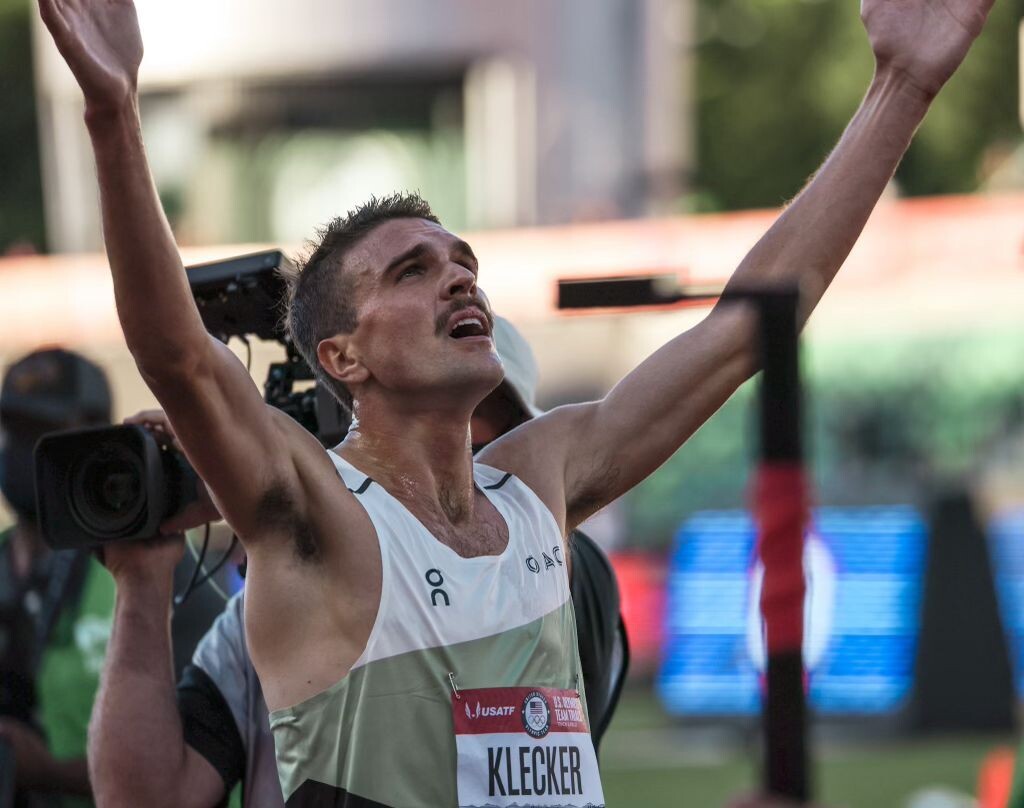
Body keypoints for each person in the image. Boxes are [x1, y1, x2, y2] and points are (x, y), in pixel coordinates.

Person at [39, 0, 992, 802]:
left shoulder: (539, 477)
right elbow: (179, 355)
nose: (460, 279)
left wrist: (902, 85)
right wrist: (114, 112)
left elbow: (743, 331)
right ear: (341, 356)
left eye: (463, 263)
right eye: (412, 271)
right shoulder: (316, 509)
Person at [90, 316, 628, 807]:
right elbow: (143, 799)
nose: (451, 448)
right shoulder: (274, 611)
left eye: (471, 429)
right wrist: (143, 577)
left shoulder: (553, 567)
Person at [0, 348, 114, 807]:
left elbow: (201, 757)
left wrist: (48, 771)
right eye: (12, 432)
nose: (20, 450)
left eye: (42, 435)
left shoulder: (159, 568)